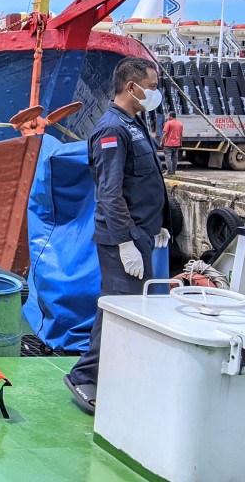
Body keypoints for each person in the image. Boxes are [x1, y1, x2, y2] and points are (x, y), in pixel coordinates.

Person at [64, 56, 171, 416]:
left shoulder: (134, 123)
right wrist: (126, 241)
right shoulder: (112, 128)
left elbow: (145, 181)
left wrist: (160, 225)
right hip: (121, 239)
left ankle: (121, 376)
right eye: (152, 88)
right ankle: (83, 375)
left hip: (142, 235)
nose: (154, 95)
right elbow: (109, 192)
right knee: (117, 309)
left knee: (133, 308)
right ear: (132, 87)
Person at [161, 111, 184, 175]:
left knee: (168, 157)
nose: (168, 117)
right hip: (176, 144)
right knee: (175, 158)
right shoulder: (180, 124)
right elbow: (181, 135)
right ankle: (173, 171)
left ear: (171, 116)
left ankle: (169, 171)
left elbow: (165, 133)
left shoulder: (168, 123)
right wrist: (181, 143)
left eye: (169, 116)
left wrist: (162, 142)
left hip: (168, 144)